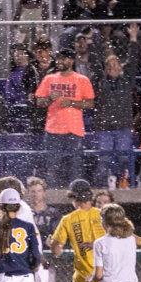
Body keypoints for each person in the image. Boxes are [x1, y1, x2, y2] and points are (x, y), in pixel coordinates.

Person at [35, 48, 95, 187]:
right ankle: (54, 197)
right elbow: (39, 102)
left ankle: (75, 195)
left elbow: (90, 103)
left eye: (63, 58)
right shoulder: (49, 78)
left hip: (74, 130)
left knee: (75, 168)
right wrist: (50, 98)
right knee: (52, 169)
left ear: (71, 60)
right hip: (53, 130)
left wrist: (72, 102)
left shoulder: (82, 80)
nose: (59, 61)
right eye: (58, 59)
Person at [92, 25, 141, 184]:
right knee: (104, 158)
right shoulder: (101, 81)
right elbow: (95, 62)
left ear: (121, 67)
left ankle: (124, 182)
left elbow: (133, 60)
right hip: (105, 127)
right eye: (109, 65)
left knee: (124, 157)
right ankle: (101, 184)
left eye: (116, 65)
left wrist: (133, 39)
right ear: (106, 69)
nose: (113, 67)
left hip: (123, 126)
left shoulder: (127, 80)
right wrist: (95, 41)